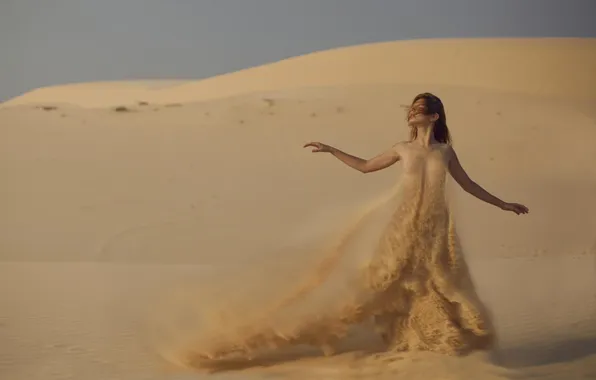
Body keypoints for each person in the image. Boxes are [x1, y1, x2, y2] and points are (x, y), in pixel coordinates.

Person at [193, 93, 529, 361]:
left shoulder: (445, 152)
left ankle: (436, 343)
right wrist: (332, 150)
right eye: (410, 110)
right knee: (391, 282)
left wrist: (503, 204)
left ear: (434, 116)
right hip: (404, 226)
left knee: (436, 285)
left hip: (436, 229)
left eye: (419, 109)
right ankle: (351, 332)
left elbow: (468, 185)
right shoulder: (402, 149)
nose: (412, 113)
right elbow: (366, 167)